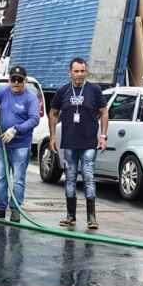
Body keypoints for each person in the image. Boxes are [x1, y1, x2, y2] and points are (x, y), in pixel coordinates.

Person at [48, 57, 108, 229]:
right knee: (70, 179)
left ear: (86, 72)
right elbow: (53, 113)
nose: (79, 74)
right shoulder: (63, 91)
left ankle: (91, 217)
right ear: (70, 73)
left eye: (82, 71)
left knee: (89, 178)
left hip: (89, 144)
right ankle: (70, 216)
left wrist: (103, 136)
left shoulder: (94, 90)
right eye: (76, 71)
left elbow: (104, 112)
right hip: (69, 144)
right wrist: (53, 137)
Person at [0, 65, 40, 222]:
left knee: (18, 179)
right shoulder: (4, 91)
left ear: (25, 81)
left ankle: (15, 210)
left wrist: (16, 130)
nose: (16, 83)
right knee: (1, 177)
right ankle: (0, 208)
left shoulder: (30, 98)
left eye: (19, 80)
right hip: (3, 143)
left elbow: (34, 119)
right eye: (13, 79)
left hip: (21, 145)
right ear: (9, 80)